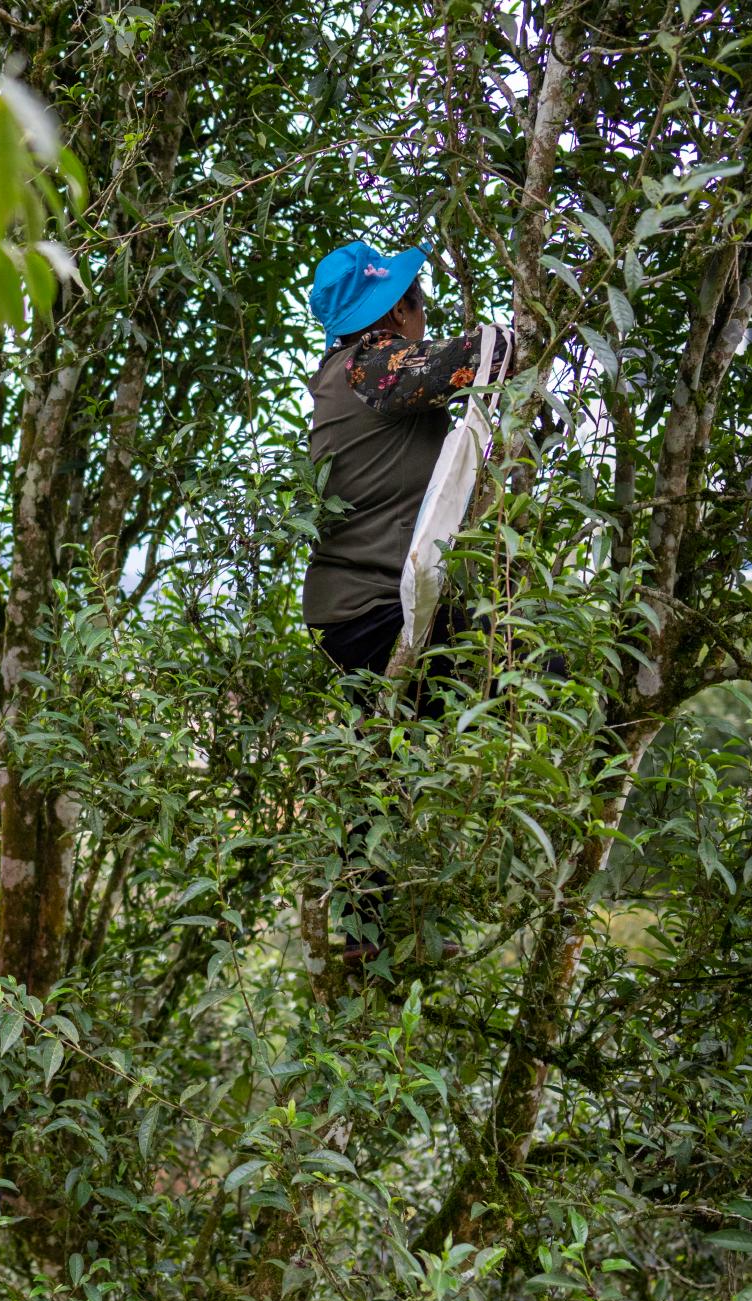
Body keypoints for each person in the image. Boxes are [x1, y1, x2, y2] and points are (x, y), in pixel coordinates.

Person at [303, 240, 512, 972]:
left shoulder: (343, 375)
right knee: (514, 668)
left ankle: (367, 930)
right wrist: (522, 334)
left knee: (385, 755)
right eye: (418, 301)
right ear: (395, 311)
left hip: (348, 608)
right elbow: (465, 364)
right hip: (374, 607)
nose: (424, 316)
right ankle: (424, 908)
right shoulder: (372, 366)